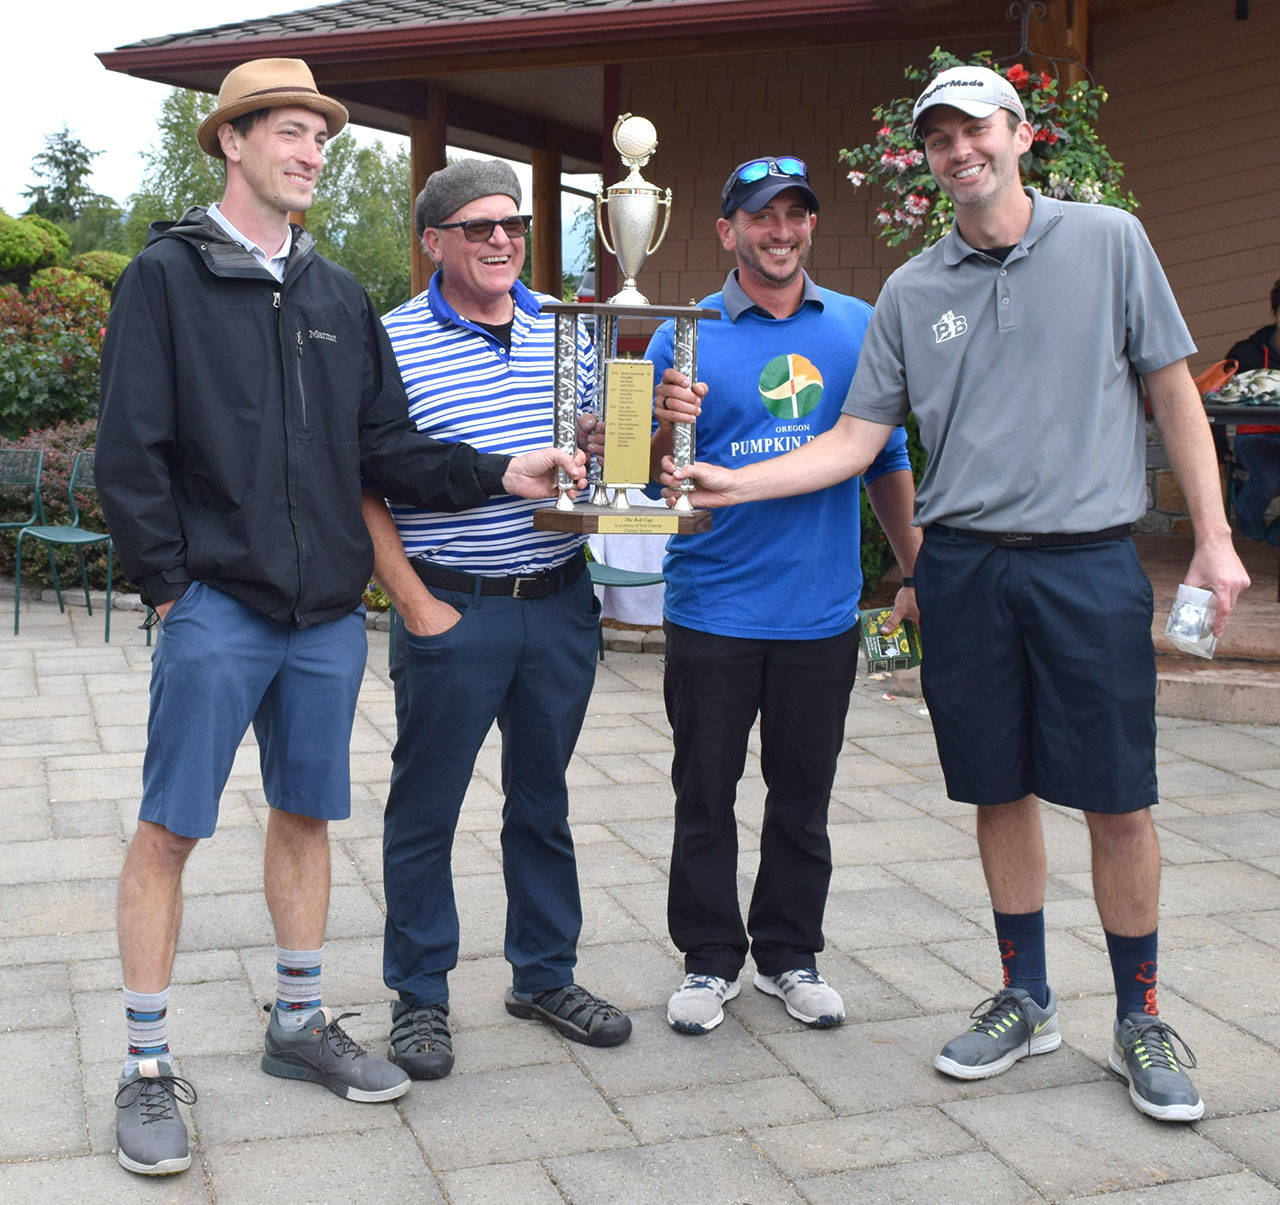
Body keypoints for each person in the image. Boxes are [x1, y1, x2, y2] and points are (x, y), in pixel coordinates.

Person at [660, 66, 1250, 1120]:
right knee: (995, 785)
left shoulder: (1107, 240)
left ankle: (1139, 1010)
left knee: (1117, 796)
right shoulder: (909, 292)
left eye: (974, 129)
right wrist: (732, 478)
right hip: (966, 564)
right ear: (925, 156)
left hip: (1085, 557)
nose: (957, 151)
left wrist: (1210, 537)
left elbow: (1170, 388)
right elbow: (853, 439)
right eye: (936, 137)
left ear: (1018, 135)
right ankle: (1024, 996)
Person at [96, 60, 586, 1178]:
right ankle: (145, 1064)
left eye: (322, 135)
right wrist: (172, 587)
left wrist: (504, 471)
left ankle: (297, 1021)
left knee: (306, 815)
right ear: (231, 142)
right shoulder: (165, 277)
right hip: (218, 604)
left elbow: (384, 451)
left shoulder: (333, 295)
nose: (313, 151)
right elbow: (128, 455)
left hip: (324, 617)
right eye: (288, 133)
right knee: (170, 827)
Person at [361, 159, 631, 1084]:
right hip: (454, 605)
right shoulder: (389, 339)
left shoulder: (569, 326)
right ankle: (420, 997)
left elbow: (600, 449)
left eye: (511, 224)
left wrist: (640, 439)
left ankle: (545, 975)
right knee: (426, 808)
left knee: (543, 800)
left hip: (558, 603)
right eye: (476, 227)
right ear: (433, 240)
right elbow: (365, 481)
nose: (500, 240)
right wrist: (415, 603)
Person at [649, 156, 921, 1035]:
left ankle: (789, 953)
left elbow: (883, 458)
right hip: (711, 609)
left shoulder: (857, 325)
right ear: (728, 230)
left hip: (820, 611)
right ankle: (708, 958)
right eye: (762, 218)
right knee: (705, 794)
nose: (781, 232)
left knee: (803, 795)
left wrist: (915, 569)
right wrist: (659, 420)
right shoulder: (682, 337)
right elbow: (653, 481)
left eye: (795, 216)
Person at [1223, 278, 1280, 542]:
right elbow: (1214, 396)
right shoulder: (1247, 353)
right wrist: (1222, 450)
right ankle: (1247, 511)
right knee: (1270, 479)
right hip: (1255, 435)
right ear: (1274, 312)